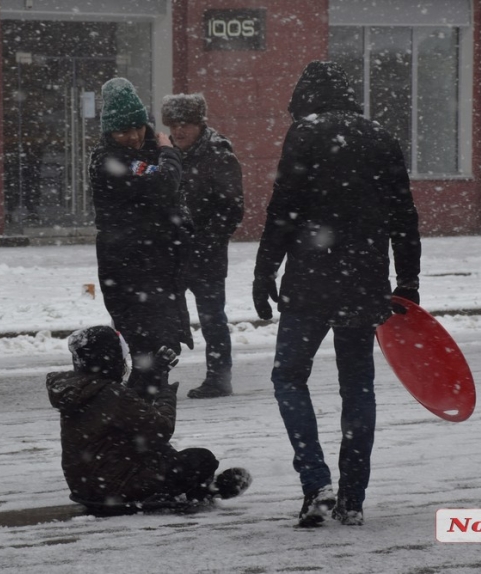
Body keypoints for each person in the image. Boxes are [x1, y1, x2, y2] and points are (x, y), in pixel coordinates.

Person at [252, 61, 422, 527]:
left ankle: (315, 482)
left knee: (289, 377)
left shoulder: (304, 134)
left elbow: (282, 210)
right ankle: (353, 499)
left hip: (309, 281)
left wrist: (264, 271)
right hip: (366, 283)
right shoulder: (381, 137)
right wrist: (408, 282)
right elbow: (404, 217)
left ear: (304, 101)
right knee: (357, 387)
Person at [46, 325, 252, 508]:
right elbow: (161, 429)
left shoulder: (82, 388)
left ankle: (187, 488)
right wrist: (166, 395)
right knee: (200, 459)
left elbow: (130, 409)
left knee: (157, 449)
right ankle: (200, 491)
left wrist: (153, 373)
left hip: (86, 486)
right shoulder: (110, 393)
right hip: (115, 488)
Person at [89, 78, 193, 399]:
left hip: (159, 269)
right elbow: (165, 183)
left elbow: (171, 193)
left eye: (138, 127)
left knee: (162, 349)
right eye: (124, 131)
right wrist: (169, 152)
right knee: (151, 351)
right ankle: (137, 413)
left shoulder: (143, 154)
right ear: (110, 133)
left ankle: (143, 414)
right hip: (128, 271)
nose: (133, 136)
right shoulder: (110, 160)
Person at [160, 93, 245, 398]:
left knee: (212, 319)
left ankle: (219, 378)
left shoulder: (218, 154)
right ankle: (156, 378)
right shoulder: (164, 152)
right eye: (173, 124)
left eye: (186, 124)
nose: (178, 131)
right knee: (166, 319)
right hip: (171, 253)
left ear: (199, 124)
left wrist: (204, 241)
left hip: (205, 255)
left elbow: (232, 209)